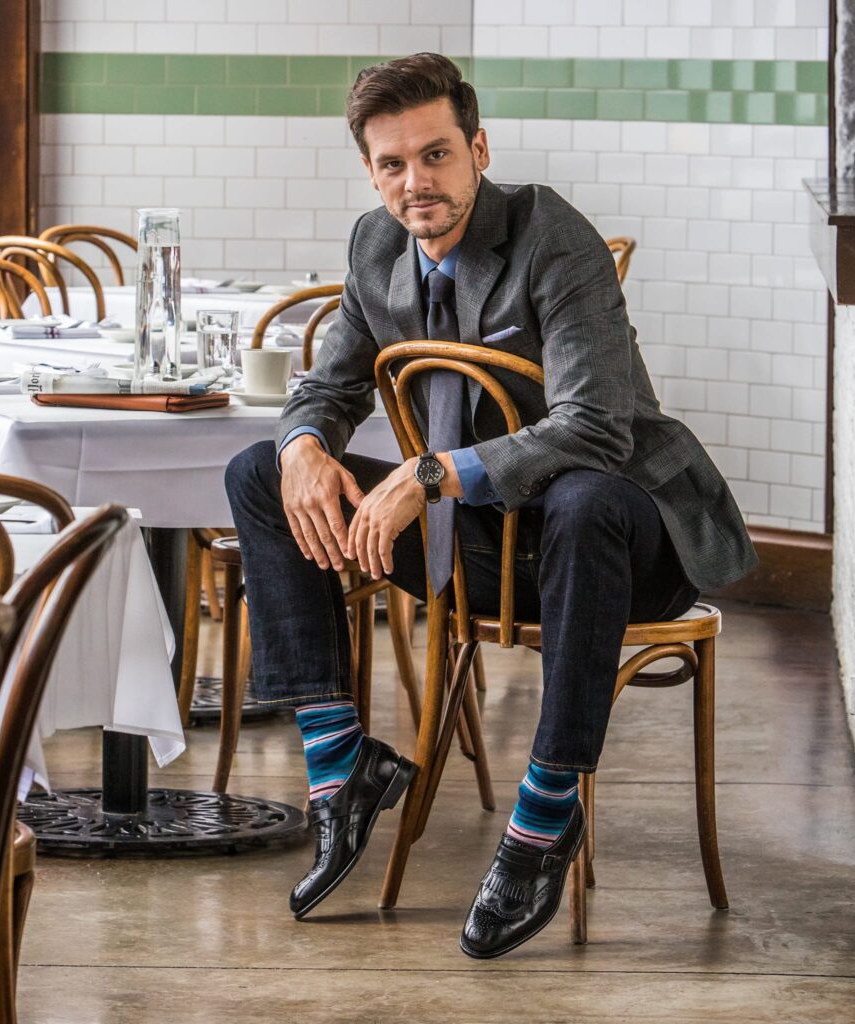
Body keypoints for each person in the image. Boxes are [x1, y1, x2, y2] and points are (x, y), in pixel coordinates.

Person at [225, 52, 756, 959]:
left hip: (629, 540)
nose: (415, 182)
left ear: (478, 147)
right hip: (487, 546)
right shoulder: (376, 245)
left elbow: (596, 429)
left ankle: (546, 817)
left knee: (584, 499)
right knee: (256, 473)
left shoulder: (553, 236)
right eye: (393, 164)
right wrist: (306, 446)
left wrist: (428, 476)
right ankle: (341, 765)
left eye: (435, 156)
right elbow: (328, 384)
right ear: (371, 171)